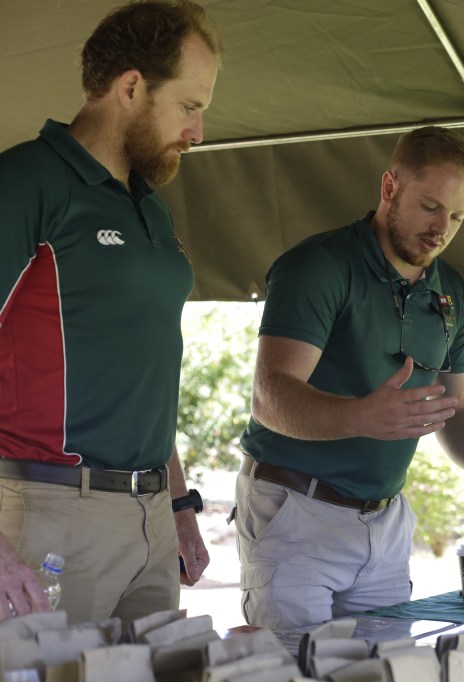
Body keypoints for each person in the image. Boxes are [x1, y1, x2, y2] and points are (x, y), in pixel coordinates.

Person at [234, 126, 464, 631]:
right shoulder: (319, 266)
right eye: (430, 206)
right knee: (293, 665)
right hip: (296, 512)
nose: (442, 228)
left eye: (458, 216)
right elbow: (270, 399)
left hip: (386, 522)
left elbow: (459, 408)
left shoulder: (451, 291)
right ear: (389, 187)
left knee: (387, 666)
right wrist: (361, 416)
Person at [0, 0, 222, 624]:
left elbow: (143, 365)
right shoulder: (24, 183)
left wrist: (176, 503)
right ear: (130, 87)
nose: (198, 131)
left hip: (151, 517)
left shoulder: (150, 205)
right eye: (189, 106)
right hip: (47, 511)